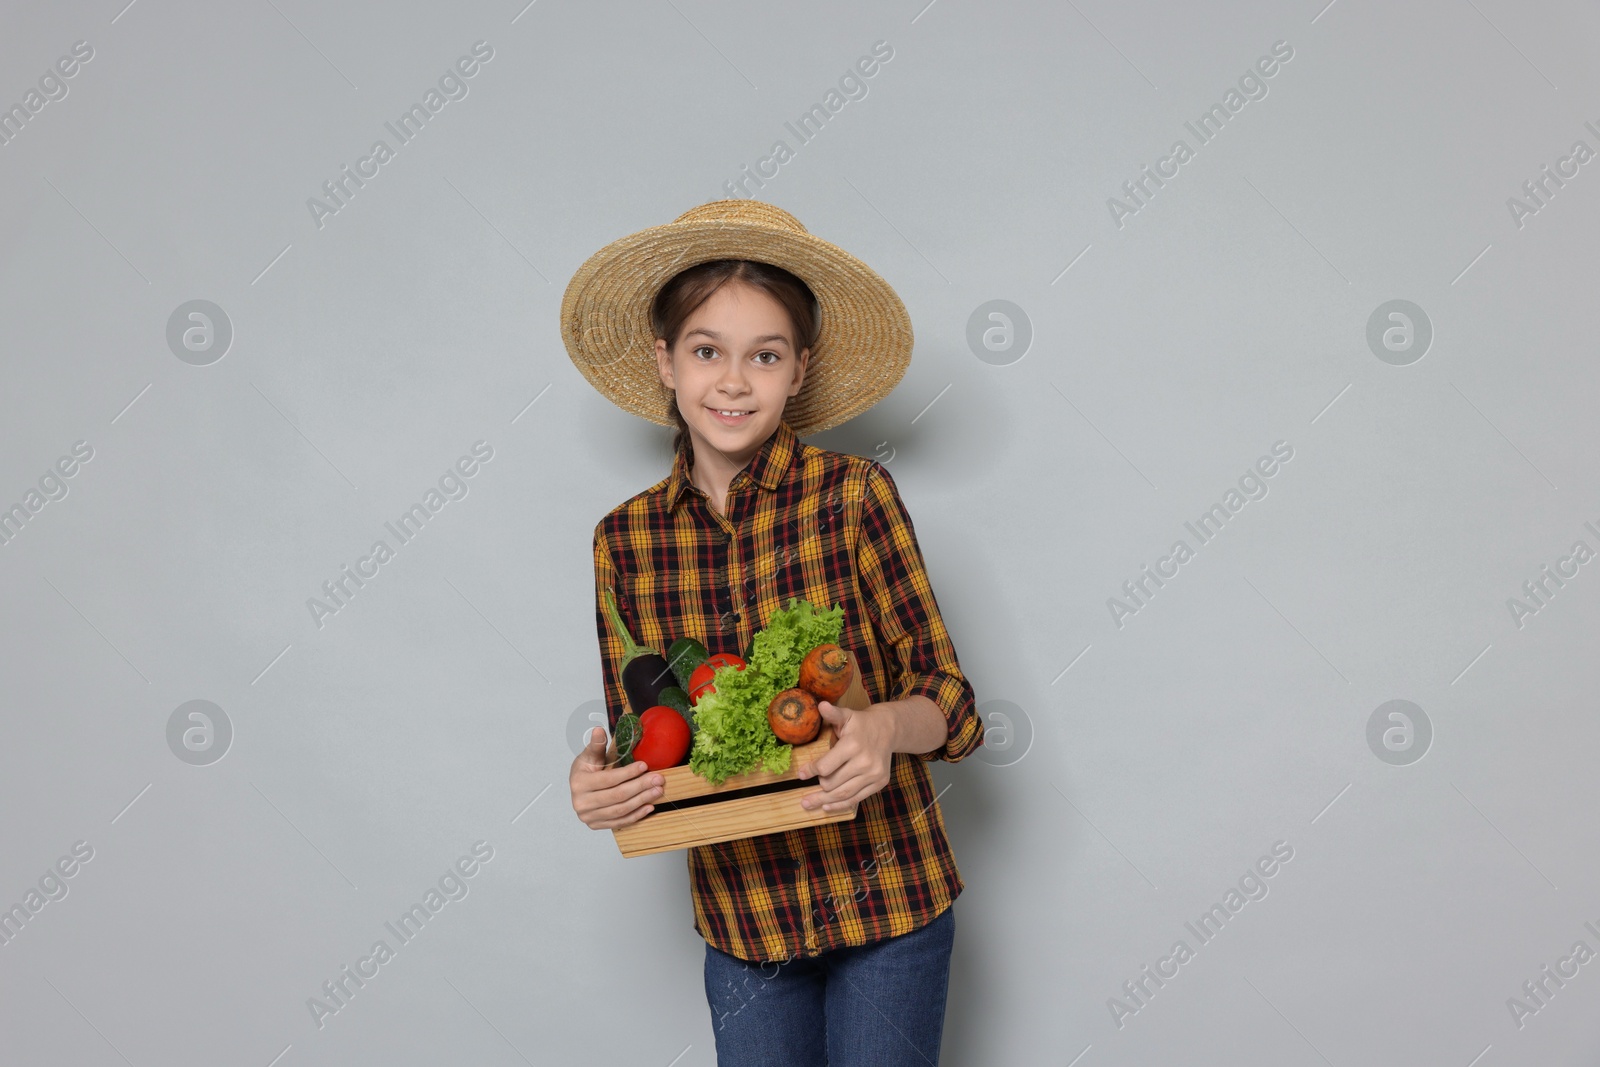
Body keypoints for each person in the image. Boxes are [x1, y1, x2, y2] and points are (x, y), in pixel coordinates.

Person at [561, 199, 984, 1067]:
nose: (733, 381)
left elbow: (953, 702)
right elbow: (656, 743)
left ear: (799, 371)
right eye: (707, 350)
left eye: (766, 355)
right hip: (745, 921)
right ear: (665, 363)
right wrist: (601, 783)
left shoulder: (855, 495)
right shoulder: (625, 541)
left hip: (889, 904)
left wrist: (880, 729)